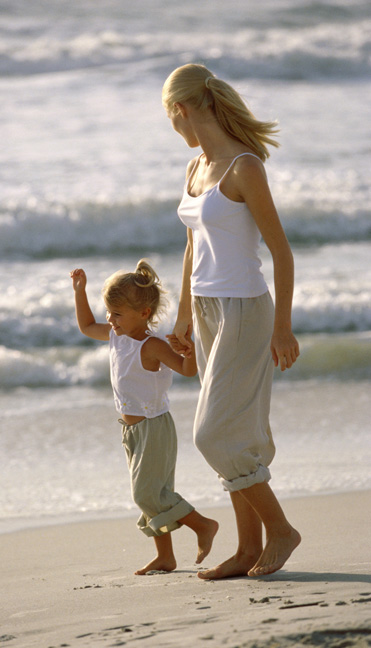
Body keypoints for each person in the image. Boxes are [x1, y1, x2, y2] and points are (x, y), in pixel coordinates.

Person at [162, 63, 301, 579]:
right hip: (207, 310)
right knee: (234, 432)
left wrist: (282, 328)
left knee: (213, 433)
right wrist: (182, 316)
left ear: (181, 109)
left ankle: (281, 530)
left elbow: (282, 253)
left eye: (169, 117)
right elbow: (192, 245)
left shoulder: (245, 167)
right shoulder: (196, 167)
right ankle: (247, 550)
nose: (171, 128)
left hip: (245, 308)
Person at [70, 259, 219, 576]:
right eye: (109, 313)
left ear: (144, 314)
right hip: (130, 431)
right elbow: (85, 326)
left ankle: (203, 525)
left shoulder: (152, 345)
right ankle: (165, 557)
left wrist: (190, 353)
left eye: (117, 314)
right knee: (151, 495)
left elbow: (187, 371)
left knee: (148, 493)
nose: (110, 320)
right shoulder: (116, 336)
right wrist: (80, 291)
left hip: (154, 427)